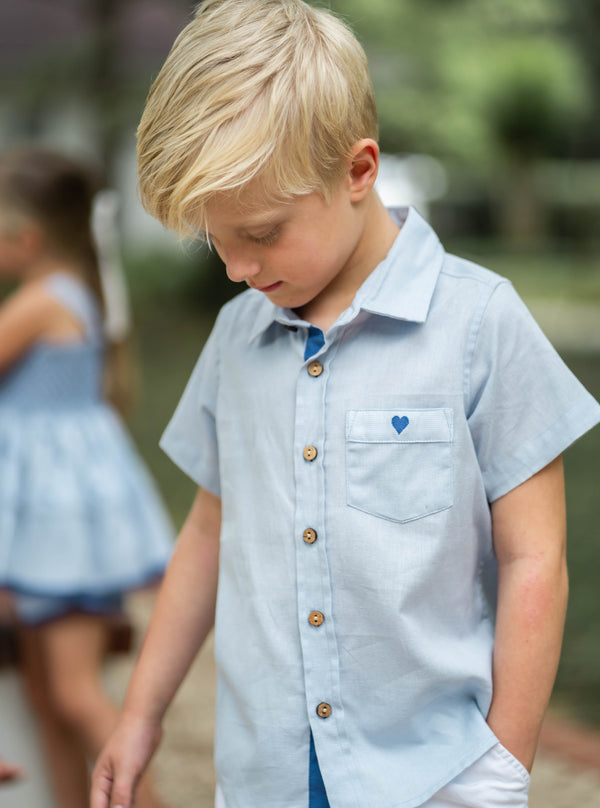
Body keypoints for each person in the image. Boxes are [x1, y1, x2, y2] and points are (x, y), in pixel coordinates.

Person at [91, 2, 600, 807]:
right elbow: (207, 532)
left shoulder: (480, 323)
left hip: (434, 777)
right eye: (215, 240)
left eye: (259, 232)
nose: (235, 268)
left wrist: (504, 767)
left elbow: (536, 560)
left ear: (358, 171)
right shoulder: (235, 336)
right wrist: (141, 713)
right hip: (264, 779)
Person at [0, 146, 172, 808]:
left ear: (27, 237)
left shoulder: (46, 300)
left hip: (60, 526)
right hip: (49, 520)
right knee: (48, 698)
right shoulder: (70, 291)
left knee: (74, 695)